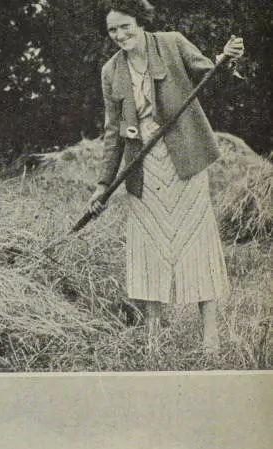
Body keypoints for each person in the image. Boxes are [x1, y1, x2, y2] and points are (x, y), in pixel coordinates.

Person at [87, 2, 244, 353]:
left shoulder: (171, 43)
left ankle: (210, 337)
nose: (120, 36)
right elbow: (113, 132)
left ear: (141, 22)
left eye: (126, 27)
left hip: (184, 160)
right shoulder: (111, 71)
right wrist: (102, 185)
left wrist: (229, 56)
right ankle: (154, 337)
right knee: (149, 245)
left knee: (196, 238)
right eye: (113, 30)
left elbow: (211, 71)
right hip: (141, 167)